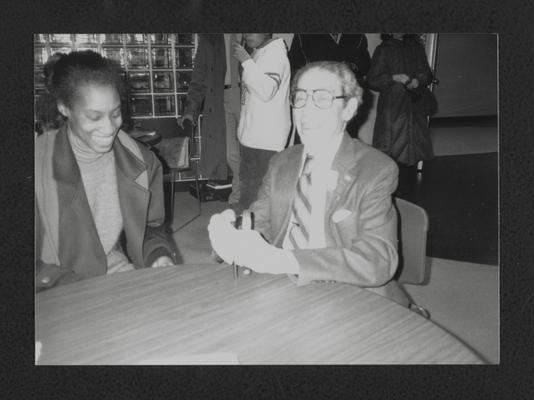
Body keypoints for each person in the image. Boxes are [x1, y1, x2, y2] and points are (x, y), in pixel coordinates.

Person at [208, 61, 409, 306]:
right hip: (285, 287)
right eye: (300, 98)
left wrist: (287, 261)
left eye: (322, 98)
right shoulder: (282, 162)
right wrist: (233, 232)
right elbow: (261, 222)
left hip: (349, 295)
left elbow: (378, 260)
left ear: (349, 109)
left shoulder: (375, 170)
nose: (306, 111)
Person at [35, 50, 179, 291]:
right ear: (64, 108)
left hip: (118, 275)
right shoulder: (37, 167)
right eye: (94, 117)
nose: (110, 127)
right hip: (56, 288)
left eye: (115, 113)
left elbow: (152, 229)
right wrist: (76, 290)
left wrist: (158, 255)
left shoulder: (142, 162)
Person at [178, 34, 241, 207]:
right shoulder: (209, 37)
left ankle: (240, 197)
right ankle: (241, 195)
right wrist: (191, 109)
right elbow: (198, 78)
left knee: (252, 148)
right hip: (221, 97)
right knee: (229, 152)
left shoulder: (250, 34)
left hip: (250, 95)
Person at [233, 33, 291, 211]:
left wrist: (246, 61)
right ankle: (246, 229)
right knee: (249, 189)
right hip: (253, 136)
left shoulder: (275, 54)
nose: (246, 35)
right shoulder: (259, 52)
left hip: (266, 139)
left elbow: (266, 90)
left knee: (261, 193)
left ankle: (256, 233)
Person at [366, 34, 435, 167]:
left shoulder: (416, 47)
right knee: (390, 153)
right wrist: (393, 78)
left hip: (414, 105)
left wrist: (418, 80)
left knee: (414, 152)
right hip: (392, 107)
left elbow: (426, 73)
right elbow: (372, 80)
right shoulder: (383, 49)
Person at [287, 33, 372, 140]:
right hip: (313, 95)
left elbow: (365, 63)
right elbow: (294, 62)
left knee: (342, 142)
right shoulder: (303, 35)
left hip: (342, 97)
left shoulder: (357, 36)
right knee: (308, 139)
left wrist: (351, 66)